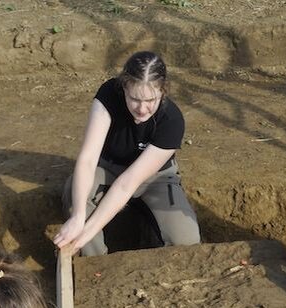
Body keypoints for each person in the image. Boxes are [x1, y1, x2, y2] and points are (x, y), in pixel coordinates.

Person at [53, 50, 201, 255]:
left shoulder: (172, 121)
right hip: (107, 169)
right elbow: (87, 160)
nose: (142, 108)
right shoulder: (108, 95)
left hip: (155, 178)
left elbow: (128, 183)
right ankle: (95, 264)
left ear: (163, 91)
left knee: (186, 241)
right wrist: (79, 218)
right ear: (124, 87)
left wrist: (89, 230)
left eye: (151, 100)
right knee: (77, 201)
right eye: (135, 99)